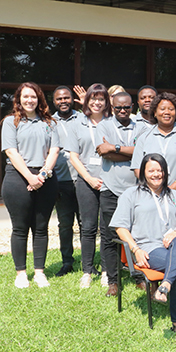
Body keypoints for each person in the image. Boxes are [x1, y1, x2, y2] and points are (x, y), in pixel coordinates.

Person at [110, 153, 176, 338]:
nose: (156, 174)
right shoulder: (131, 194)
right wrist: (135, 249)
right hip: (148, 250)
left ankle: (164, 285)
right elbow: (120, 227)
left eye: (160, 170)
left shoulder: (174, 195)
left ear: (165, 173)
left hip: (174, 246)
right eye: (151, 170)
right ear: (143, 172)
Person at [2, 82, 59, 288]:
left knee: (41, 228)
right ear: (18, 99)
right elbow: (10, 151)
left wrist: (42, 174)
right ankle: (21, 273)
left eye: (33, 96)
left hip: (45, 176)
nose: (29, 100)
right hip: (18, 177)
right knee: (20, 228)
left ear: (39, 99)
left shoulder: (50, 123)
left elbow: (54, 151)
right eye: (25, 96)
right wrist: (30, 177)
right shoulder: (11, 122)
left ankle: (39, 272)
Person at [95, 92, 144, 296]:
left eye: (126, 107)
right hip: (111, 188)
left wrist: (114, 148)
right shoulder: (103, 126)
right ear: (112, 107)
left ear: (132, 107)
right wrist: (132, 151)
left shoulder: (142, 126)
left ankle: (140, 276)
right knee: (109, 236)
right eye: (118, 108)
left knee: (140, 235)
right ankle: (113, 281)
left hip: (137, 189)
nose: (122, 111)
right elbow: (102, 152)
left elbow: (143, 151)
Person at [65, 83, 111, 288]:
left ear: (106, 102)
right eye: (93, 98)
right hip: (86, 180)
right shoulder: (77, 123)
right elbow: (73, 156)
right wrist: (90, 179)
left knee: (107, 228)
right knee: (88, 227)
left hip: (110, 180)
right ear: (87, 101)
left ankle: (108, 270)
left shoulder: (112, 123)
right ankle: (87, 271)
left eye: (101, 99)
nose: (97, 102)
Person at [131, 92, 176, 211]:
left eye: (171, 109)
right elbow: (137, 168)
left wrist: (174, 187)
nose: (167, 112)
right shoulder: (144, 137)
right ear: (154, 112)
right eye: (162, 109)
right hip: (152, 197)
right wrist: (155, 188)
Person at [51, 86, 81, 277]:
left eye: (66, 98)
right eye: (59, 99)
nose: (63, 101)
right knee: (65, 224)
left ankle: (88, 263)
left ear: (72, 99)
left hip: (83, 179)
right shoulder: (49, 121)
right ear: (54, 101)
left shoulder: (83, 118)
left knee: (87, 225)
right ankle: (67, 262)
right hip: (61, 180)